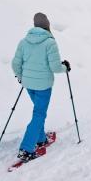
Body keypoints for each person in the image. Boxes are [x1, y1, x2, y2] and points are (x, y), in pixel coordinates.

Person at [12, 12, 71, 161]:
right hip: (43, 86)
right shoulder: (50, 42)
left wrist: (21, 77)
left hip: (28, 84)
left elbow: (15, 64)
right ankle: (26, 149)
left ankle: (41, 139)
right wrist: (65, 68)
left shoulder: (24, 41)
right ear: (47, 25)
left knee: (38, 111)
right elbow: (56, 68)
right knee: (39, 114)